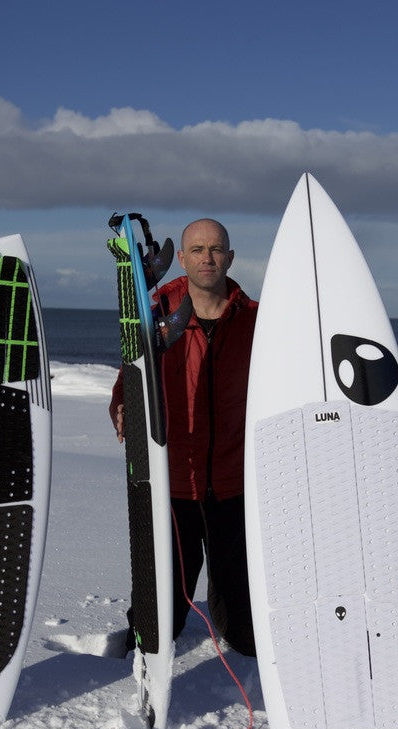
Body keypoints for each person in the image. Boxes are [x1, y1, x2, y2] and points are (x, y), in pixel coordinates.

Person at [109, 218, 258, 657]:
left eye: (215, 249)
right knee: (160, 622)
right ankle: (142, 642)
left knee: (245, 631)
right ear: (181, 257)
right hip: (173, 482)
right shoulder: (154, 314)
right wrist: (122, 409)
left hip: (234, 482)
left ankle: (238, 630)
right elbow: (128, 381)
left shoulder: (254, 320)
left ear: (230, 258)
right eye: (196, 249)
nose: (206, 257)